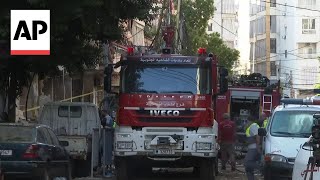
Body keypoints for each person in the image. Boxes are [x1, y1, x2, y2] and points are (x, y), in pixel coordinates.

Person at [244, 115, 261, 180]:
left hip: (254, 148)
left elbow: (257, 136)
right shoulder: (252, 126)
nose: (246, 123)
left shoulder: (253, 126)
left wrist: (258, 147)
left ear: (249, 120)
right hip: (252, 147)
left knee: (247, 164)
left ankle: (261, 168)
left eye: (247, 121)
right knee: (248, 167)